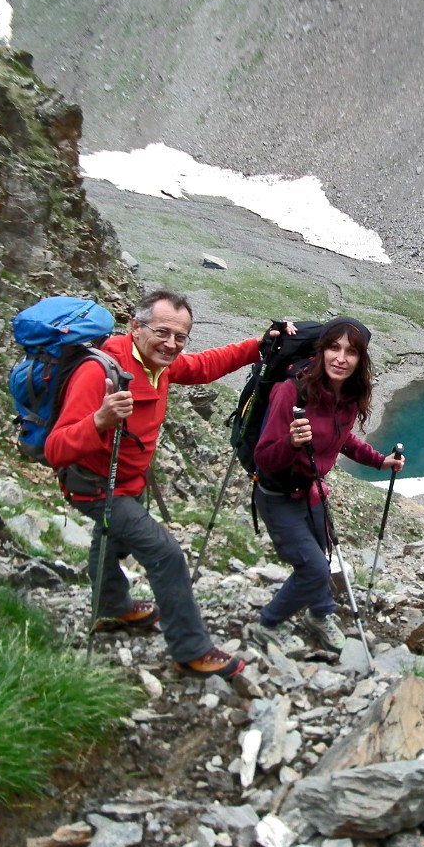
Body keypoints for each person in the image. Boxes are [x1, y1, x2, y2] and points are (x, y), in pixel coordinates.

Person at [47, 289, 285, 680]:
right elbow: (57, 448)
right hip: (95, 485)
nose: (171, 344)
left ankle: (111, 608)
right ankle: (191, 650)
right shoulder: (100, 371)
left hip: (129, 479)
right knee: (167, 556)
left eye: (180, 337)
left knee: (109, 541)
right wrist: (99, 422)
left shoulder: (160, 364)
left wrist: (257, 347)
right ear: (135, 327)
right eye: (162, 332)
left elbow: (205, 366)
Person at [251, 316, 404, 654]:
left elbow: (341, 438)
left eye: (351, 352)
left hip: (312, 493)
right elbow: (264, 458)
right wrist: (291, 443)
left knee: (321, 556)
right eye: (333, 348)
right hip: (278, 495)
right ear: (320, 351)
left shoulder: (347, 396)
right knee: (313, 567)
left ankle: (320, 615)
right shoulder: (291, 391)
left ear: (360, 360)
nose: (340, 358)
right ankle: (269, 623)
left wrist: (381, 461)